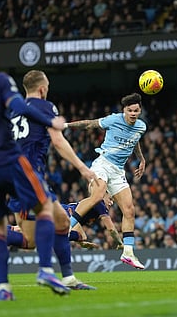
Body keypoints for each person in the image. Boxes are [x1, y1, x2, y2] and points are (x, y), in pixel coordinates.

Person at [0, 31, 68, 300]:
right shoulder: (0, 81)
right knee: (45, 206)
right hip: (7, 160)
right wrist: (51, 122)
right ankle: (45, 269)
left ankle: (3, 288)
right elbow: (19, 106)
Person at [8, 69, 97, 290]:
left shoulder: (12, 111)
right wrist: (83, 168)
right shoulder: (45, 107)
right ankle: (49, 272)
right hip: (29, 175)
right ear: (42, 88)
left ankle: (68, 278)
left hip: (12, 175)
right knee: (39, 233)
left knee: (58, 224)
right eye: (47, 87)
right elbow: (57, 141)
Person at [65, 92, 147, 269]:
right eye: (130, 110)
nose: (133, 114)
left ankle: (128, 253)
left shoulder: (141, 127)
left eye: (136, 111)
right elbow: (89, 124)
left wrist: (141, 159)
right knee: (98, 195)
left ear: (140, 111)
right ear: (124, 110)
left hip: (118, 171)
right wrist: (64, 125)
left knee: (129, 210)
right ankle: (68, 228)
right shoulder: (113, 120)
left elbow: (135, 140)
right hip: (103, 163)